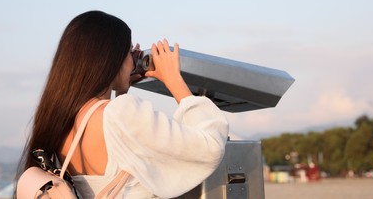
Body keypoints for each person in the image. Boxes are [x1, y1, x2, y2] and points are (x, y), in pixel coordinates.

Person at [16, 10, 229, 198]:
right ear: (110, 59)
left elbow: (113, 153)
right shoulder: (121, 112)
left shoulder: (62, 119)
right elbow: (208, 148)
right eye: (128, 52)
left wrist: (121, 89)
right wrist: (174, 80)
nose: (132, 60)